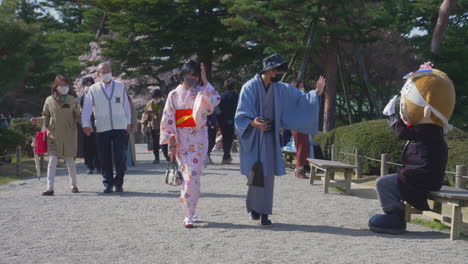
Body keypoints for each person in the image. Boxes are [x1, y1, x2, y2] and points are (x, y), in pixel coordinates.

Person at [235, 54, 325, 226]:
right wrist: (252, 122)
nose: (280, 75)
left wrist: (315, 94)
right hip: (254, 137)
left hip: (269, 136)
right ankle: (254, 207)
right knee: (255, 173)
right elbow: (241, 114)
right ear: (269, 70)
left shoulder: (280, 88)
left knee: (268, 175)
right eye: (278, 71)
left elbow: (299, 98)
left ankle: (265, 213)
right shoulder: (249, 87)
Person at [368, 62, 456, 235]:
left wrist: (391, 116)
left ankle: (396, 215)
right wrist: (424, 72)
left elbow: (402, 132)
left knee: (383, 183)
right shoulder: (432, 129)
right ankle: (396, 213)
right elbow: (406, 130)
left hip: (422, 176)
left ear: (428, 107)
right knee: (391, 180)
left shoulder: (429, 129)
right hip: (424, 175)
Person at [160, 59, 220, 228]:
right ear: (182, 75)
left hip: (199, 140)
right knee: (189, 177)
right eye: (189, 75)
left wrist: (205, 80)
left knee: (194, 176)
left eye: (195, 76)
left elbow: (215, 100)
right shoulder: (173, 95)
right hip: (182, 141)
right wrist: (171, 144)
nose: (192, 78)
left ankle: (191, 209)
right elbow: (168, 120)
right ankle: (189, 214)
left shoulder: (201, 91)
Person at [82, 62, 132, 193]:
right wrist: (86, 124)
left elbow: (126, 104)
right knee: (104, 157)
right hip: (102, 127)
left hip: (120, 125)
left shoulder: (120, 86)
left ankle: (119, 182)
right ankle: (108, 183)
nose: (107, 74)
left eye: (108, 71)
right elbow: (87, 108)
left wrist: (128, 121)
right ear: (98, 75)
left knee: (120, 156)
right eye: (103, 72)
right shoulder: (93, 89)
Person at [31, 75, 81, 195]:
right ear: (56, 86)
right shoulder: (49, 100)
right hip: (53, 135)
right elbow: (46, 116)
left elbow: (78, 117)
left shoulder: (72, 100)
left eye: (66, 85)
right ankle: (50, 188)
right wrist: (38, 119)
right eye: (61, 85)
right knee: (52, 160)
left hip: (69, 135)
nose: (64, 87)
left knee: (70, 161)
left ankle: (74, 185)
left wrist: (86, 122)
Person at [78, 77, 101, 174]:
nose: (89, 86)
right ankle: (89, 165)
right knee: (87, 147)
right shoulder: (80, 99)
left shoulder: (98, 96)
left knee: (97, 146)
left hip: (96, 125)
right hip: (85, 126)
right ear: (83, 86)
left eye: (90, 84)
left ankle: (98, 166)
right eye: (86, 85)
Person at [141, 88, 169, 164]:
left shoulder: (164, 104)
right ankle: (156, 158)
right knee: (154, 143)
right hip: (153, 126)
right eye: (155, 97)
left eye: (158, 97)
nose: (156, 99)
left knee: (164, 143)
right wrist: (144, 125)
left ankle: (167, 156)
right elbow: (145, 115)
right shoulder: (149, 104)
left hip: (163, 126)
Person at [290, 80, 311, 179]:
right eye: (301, 86)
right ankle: (299, 169)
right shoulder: (294, 97)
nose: (303, 87)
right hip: (297, 124)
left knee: (305, 146)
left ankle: (302, 168)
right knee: (301, 147)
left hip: (303, 124)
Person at [216, 78, 239, 164]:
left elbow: (216, 108)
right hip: (232, 120)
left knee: (225, 137)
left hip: (222, 120)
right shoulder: (237, 97)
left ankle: (226, 155)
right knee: (229, 138)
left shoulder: (220, 96)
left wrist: (219, 116)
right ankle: (226, 156)